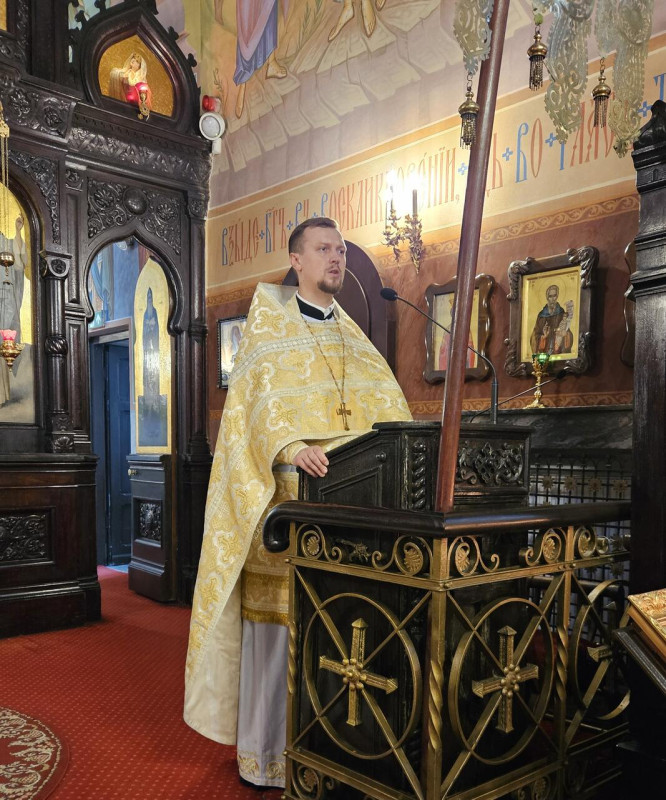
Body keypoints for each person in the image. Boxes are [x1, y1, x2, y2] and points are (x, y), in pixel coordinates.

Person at [184, 217, 411, 788]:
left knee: (336, 634)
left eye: (340, 249)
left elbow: (387, 410)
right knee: (278, 636)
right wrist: (290, 445)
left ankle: (332, 752)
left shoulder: (352, 337)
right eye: (323, 249)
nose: (336, 258)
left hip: (345, 512)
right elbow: (253, 413)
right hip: (284, 512)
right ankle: (266, 758)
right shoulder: (267, 328)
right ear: (297, 260)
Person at [529, 283, 574, 355]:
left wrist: (565, 334)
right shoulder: (541, 316)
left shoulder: (561, 313)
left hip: (558, 351)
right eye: (550, 296)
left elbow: (568, 332)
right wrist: (543, 337)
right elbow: (534, 336)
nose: (553, 299)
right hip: (544, 353)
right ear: (547, 297)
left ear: (557, 296)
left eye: (554, 296)